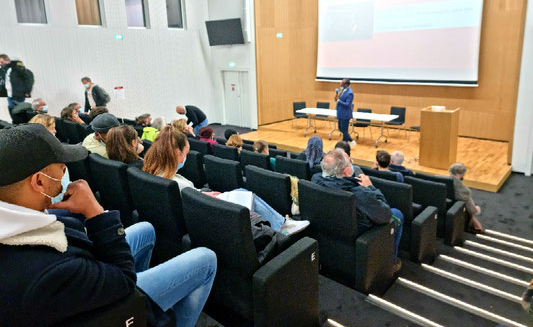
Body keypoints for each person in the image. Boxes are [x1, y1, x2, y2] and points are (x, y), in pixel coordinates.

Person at [0, 123, 216, 327]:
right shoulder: (49, 274)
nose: (66, 171)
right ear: (39, 182)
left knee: (146, 229)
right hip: (118, 285)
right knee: (206, 259)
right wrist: (95, 211)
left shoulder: (17, 219)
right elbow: (125, 280)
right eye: (60, 167)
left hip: (90, 280)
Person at [143, 127, 309, 236]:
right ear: (178, 153)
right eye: (185, 153)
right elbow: (188, 197)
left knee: (243, 194)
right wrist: (207, 197)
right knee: (246, 195)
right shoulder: (173, 183)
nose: (186, 157)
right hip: (205, 215)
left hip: (200, 205)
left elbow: (187, 195)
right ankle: (283, 226)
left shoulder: (155, 173)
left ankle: (282, 224)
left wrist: (202, 193)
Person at [312, 149, 403, 271]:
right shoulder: (360, 193)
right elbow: (385, 214)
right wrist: (370, 187)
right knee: (397, 214)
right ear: (346, 171)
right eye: (350, 163)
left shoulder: (315, 179)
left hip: (331, 229)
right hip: (362, 234)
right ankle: (391, 262)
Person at [449, 162, 484, 233]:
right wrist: (476, 210)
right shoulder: (465, 191)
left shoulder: (439, 180)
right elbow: (469, 206)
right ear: (459, 175)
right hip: (457, 208)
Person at [335, 78, 355, 146]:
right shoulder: (343, 90)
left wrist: (338, 101)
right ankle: (350, 140)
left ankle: (345, 144)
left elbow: (347, 104)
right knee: (341, 128)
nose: (340, 83)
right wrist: (337, 98)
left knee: (344, 130)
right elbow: (339, 99)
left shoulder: (350, 93)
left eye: (342, 82)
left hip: (345, 114)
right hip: (340, 113)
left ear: (346, 84)